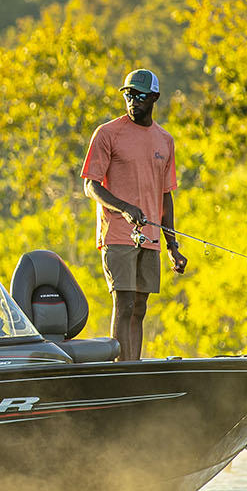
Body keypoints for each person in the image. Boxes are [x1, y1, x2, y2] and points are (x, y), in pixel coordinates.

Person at [81, 69, 187, 361]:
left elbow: (166, 195)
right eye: (128, 95)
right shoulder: (107, 133)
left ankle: (133, 365)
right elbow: (91, 186)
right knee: (124, 303)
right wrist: (124, 208)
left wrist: (172, 246)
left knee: (140, 307)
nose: (133, 101)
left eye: (140, 96)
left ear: (154, 98)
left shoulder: (165, 140)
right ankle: (121, 370)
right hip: (118, 233)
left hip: (150, 237)